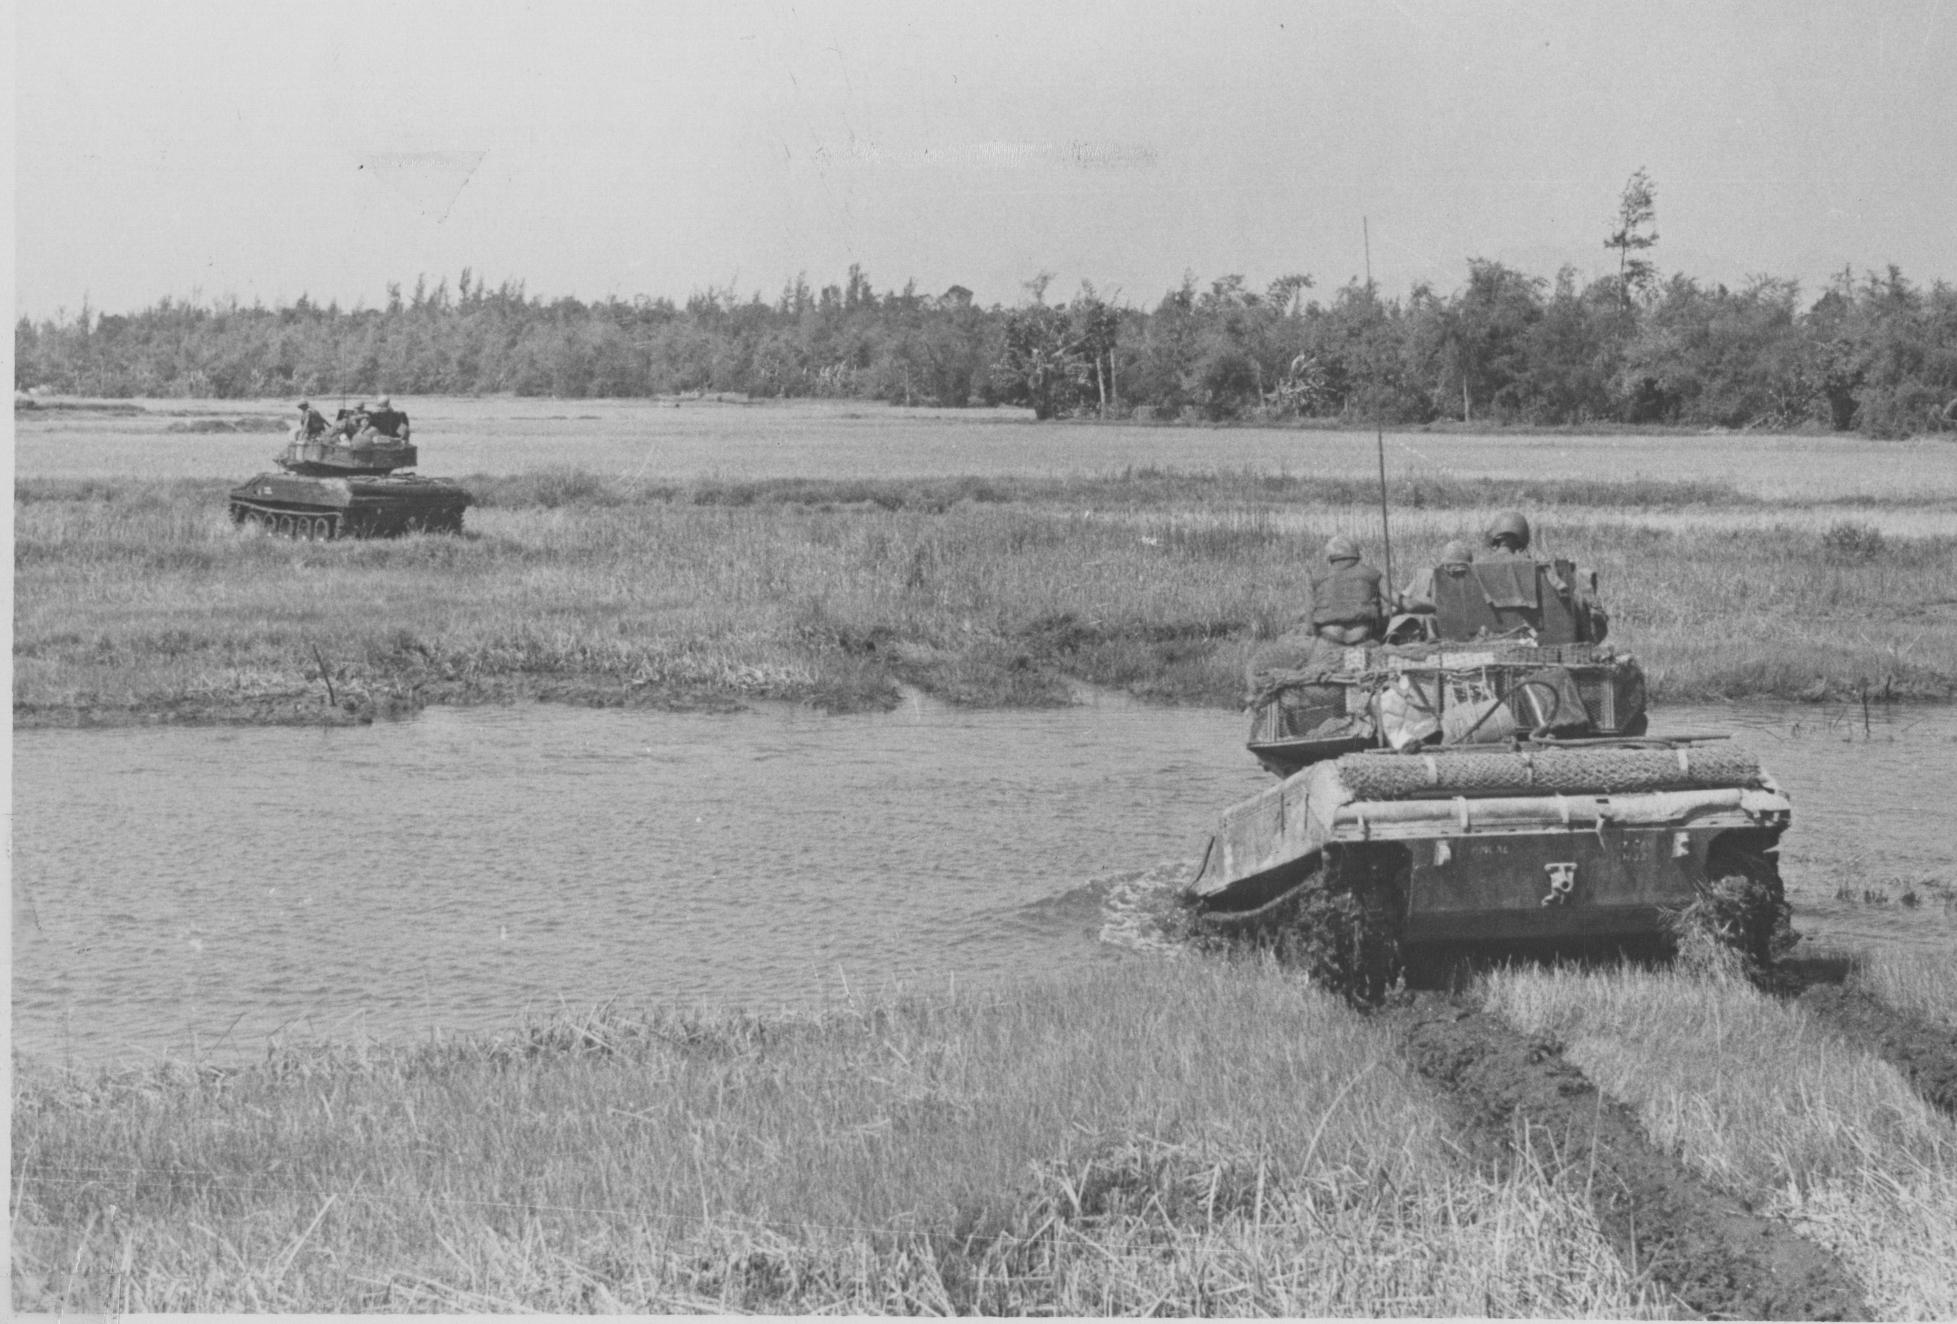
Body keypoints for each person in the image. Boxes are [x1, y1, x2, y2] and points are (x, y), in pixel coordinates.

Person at [1478, 510, 1609, 641]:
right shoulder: (1541, 569)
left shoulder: (1474, 569)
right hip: (1537, 638)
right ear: (1522, 538)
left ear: (1495, 537)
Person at [1307, 535, 1387, 646]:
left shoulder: (1318, 577)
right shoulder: (1373, 574)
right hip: (1363, 639)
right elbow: (1402, 602)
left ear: (1330, 557)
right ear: (1356, 555)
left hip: (1328, 640)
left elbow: (1310, 618)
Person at [1397, 538, 1474, 614]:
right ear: (1443, 566)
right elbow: (1404, 600)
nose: (1458, 573)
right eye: (1452, 568)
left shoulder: (1474, 583)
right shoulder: (1426, 577)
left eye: (1462, 569)